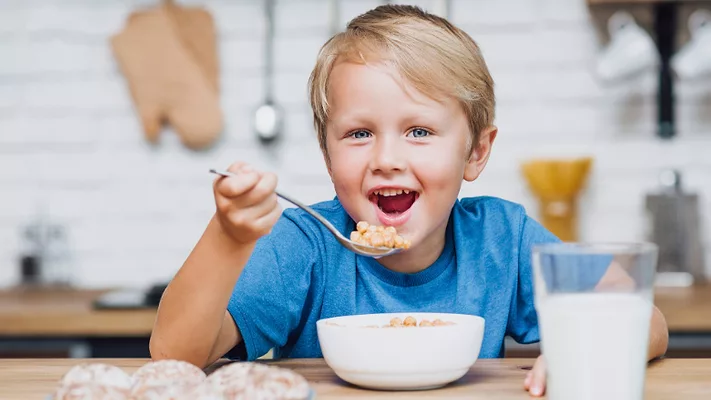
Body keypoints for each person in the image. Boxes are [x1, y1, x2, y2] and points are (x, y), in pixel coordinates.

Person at [149, 5, 669, 397]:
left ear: (476, 151)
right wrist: (230, 236)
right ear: (327, 156)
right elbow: (175, 353)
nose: (386, 159)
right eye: (358, 134)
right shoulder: (306, 242)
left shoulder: (502, 238)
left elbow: (645, 319)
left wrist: (588, 349)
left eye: (419, 130)